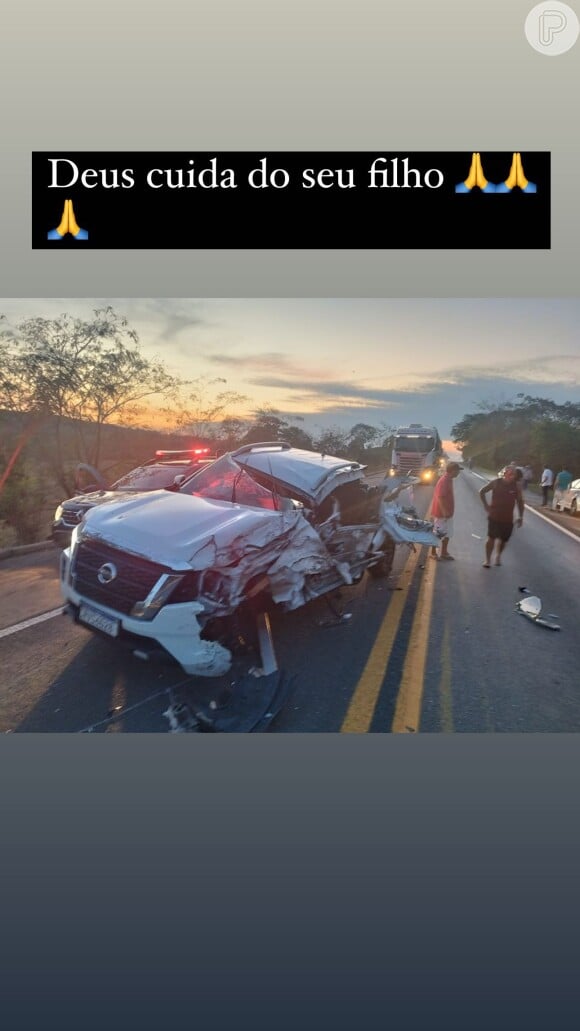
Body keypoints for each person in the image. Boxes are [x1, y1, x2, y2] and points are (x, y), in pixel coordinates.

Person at [479, 466, 524, 567]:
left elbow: (520, 502)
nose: (511, 476)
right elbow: (482, 491)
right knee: (491, 538)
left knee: (503, 540)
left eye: (513, 475)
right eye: (509, 474)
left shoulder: (516, 487)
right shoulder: (496, 482)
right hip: (494, 516)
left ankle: (498, 555)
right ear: (504, 474)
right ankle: (487, 560)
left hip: (507, 518)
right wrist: (486, 505)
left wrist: (521, 516)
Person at [430, 461, 461, 561]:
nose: (459, 473)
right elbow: (440, 497)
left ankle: (444, 552)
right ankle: (433, 552)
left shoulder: (449, 479)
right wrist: (444, 511)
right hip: (441, 513)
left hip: (447, 513)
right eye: (458, 471)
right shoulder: (444, 481)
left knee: (448, 533)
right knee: (438, 533)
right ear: (453, 471)